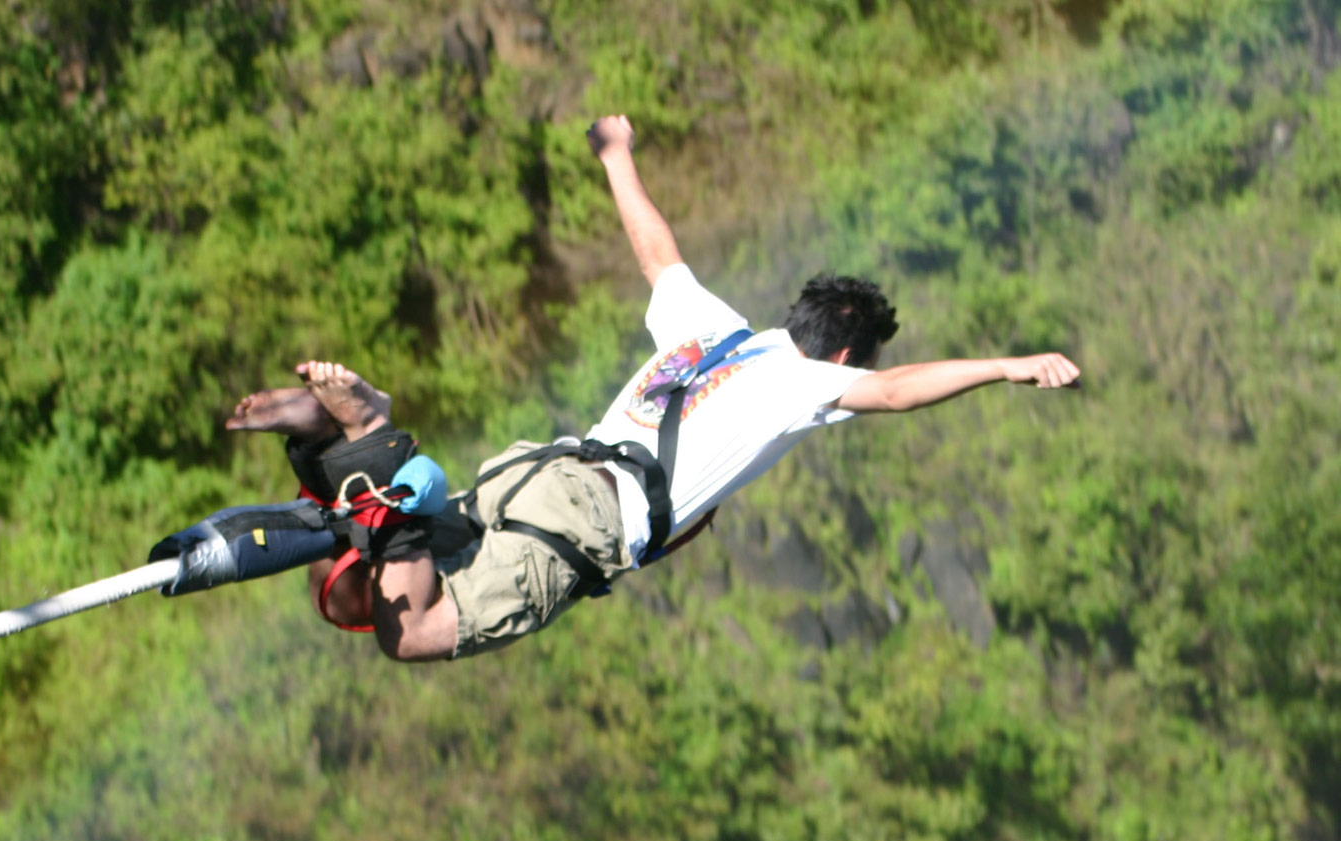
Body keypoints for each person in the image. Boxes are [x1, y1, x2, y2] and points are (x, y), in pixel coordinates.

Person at [220, 114, 1082, 661]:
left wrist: (615, 152)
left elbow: (655, 249)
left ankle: (334, 454)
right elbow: (897, 392)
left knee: (373, 572)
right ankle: (373, 438)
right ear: (843, 359)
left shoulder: (713, 329)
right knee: (411, 635)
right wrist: (1008, 367)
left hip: (537, 469)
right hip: (585, 522)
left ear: (798, 314)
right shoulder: (802, 384)